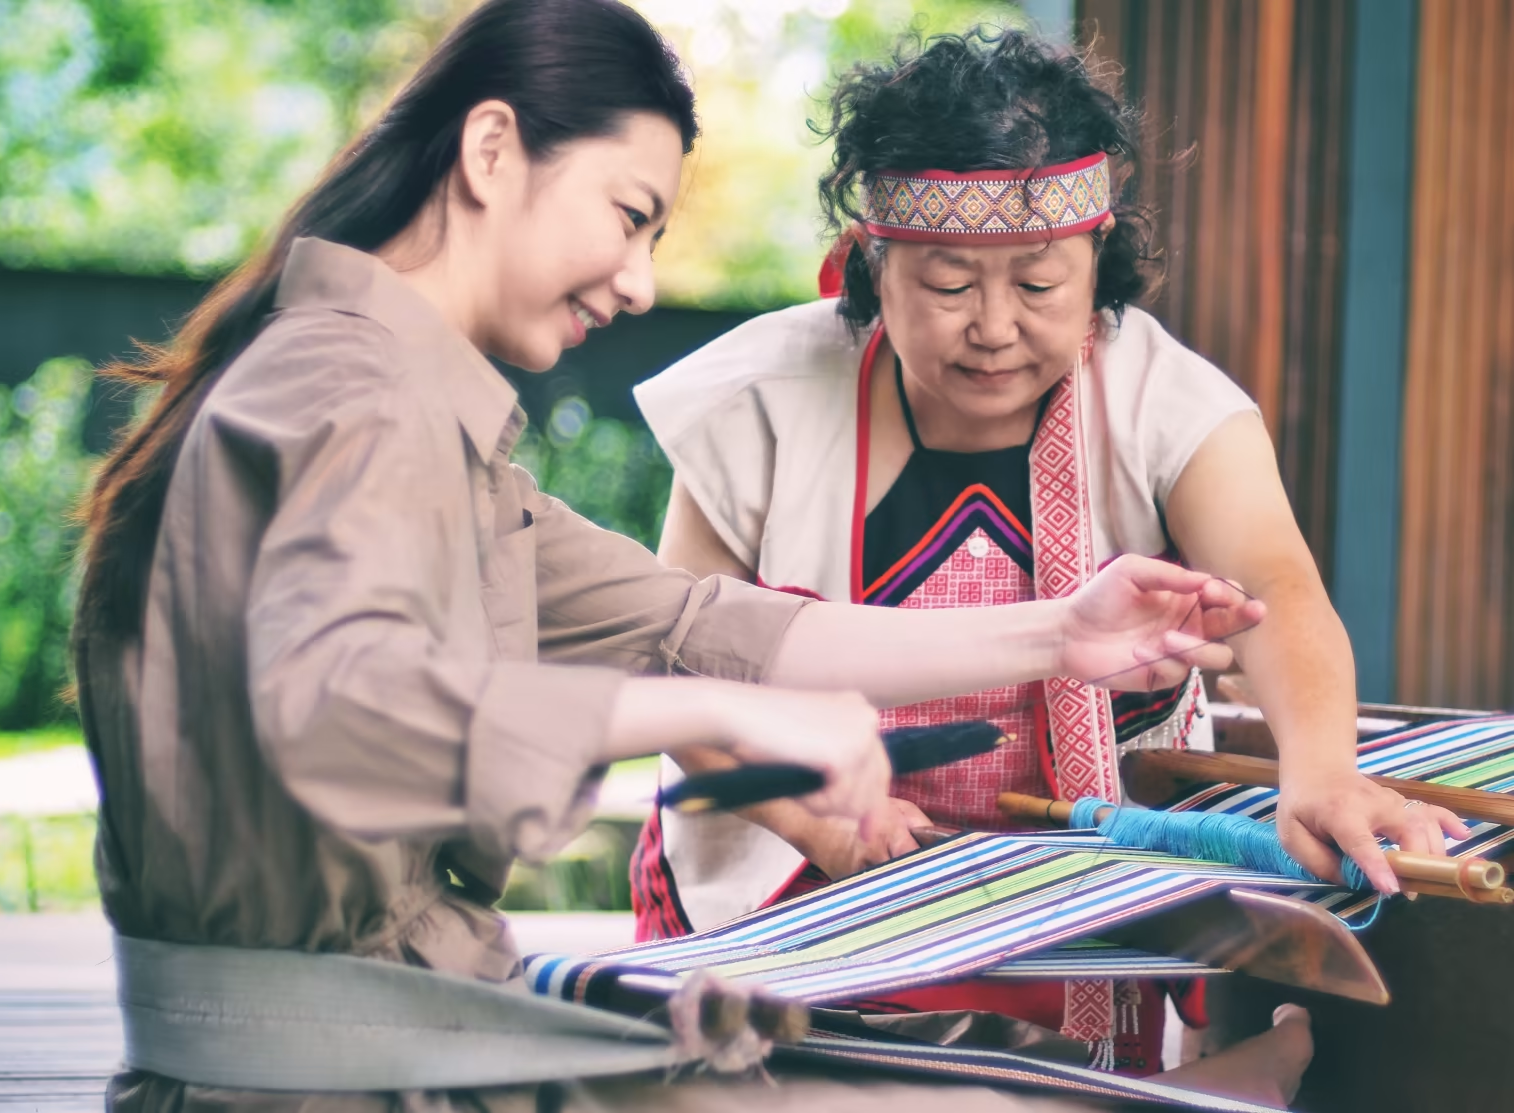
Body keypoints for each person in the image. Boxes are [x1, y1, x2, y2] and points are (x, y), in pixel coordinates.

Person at [71, 2, 1295, 1110]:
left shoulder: (400, 410)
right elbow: (336, 709)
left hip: (403, 1030)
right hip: (328, 1078)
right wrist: (737, 718)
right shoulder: (348, 393)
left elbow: (697, 617)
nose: (642, 278)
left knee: (938, 1083)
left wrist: (1057, 633)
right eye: (628, 216)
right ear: (490, 152)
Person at [628, 26, 1466, 1074]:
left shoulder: (1165, 401)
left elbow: (1274, 588)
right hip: (796, 879)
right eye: (945, 285)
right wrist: (819, 820)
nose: (989, 327)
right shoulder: (755, 401)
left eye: (1035, 286)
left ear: (1098, 262)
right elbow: (674, 657)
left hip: (1080, 886)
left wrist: (1319, 775)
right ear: (867, 266)